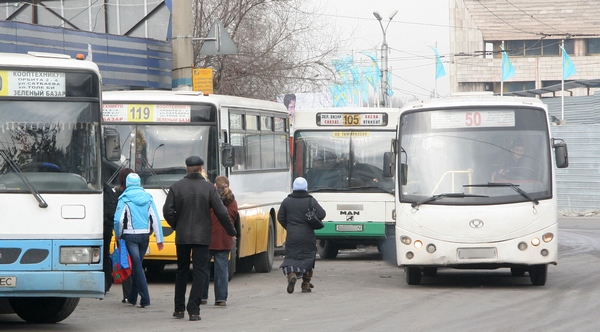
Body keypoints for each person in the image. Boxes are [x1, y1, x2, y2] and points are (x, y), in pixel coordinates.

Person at [163, 156, 237, 321]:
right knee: (199, 272)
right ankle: (194, 310)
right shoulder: (209, 188)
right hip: (202, 237)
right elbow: (221, 212)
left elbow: (167, 211)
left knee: (181, 271)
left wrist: (178, 225)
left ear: (186, 168)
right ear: (201, 168)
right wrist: (231, 231)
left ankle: (179, 309)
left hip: (182, 237)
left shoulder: (176, 187)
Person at [114, 173, 164, 308]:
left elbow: (118, 220)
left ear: (128, 183)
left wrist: (118, 235)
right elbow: (155, 219)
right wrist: (159, 239)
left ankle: (145, 298)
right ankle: (132, 297)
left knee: (137, 266)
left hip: (130, 236)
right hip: (144, 237)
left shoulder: (124, 198)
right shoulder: (148, 198)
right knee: (137, 265)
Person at [277, 177, 326, 294]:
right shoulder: (311, 201)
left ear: (293, 187)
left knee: (291, 258)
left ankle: (292, 275)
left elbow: (280, 217)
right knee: (308, 259)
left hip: (292, 236)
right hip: (307, 236)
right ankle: (306, 284)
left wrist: (289, 227)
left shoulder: (286, 201)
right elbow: (322, 214)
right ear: (306, 188)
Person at [201, 176, 238, 307]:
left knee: (203, 268)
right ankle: (221, 298)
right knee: (221, 269)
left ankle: (202, 296)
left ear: (215, 186)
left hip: (208, 238)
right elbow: (234, 217)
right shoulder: (232, 201)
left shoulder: (210, 198)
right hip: (225, 239)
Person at [114, 167, 134, 303]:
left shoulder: (117, 194)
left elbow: (116, 216)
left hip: (123, 233)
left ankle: (127, 294)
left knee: (125, 262)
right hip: (138, 232)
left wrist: (117, 233)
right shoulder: (140, 193)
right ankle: (136, 292)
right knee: (136, 264)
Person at [102, 182, 118, 295]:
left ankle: (104, 283)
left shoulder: (97, 191)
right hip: (107, 227)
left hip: (100, 226)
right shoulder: (109, 191)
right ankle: (107, 283)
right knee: (106, 255)